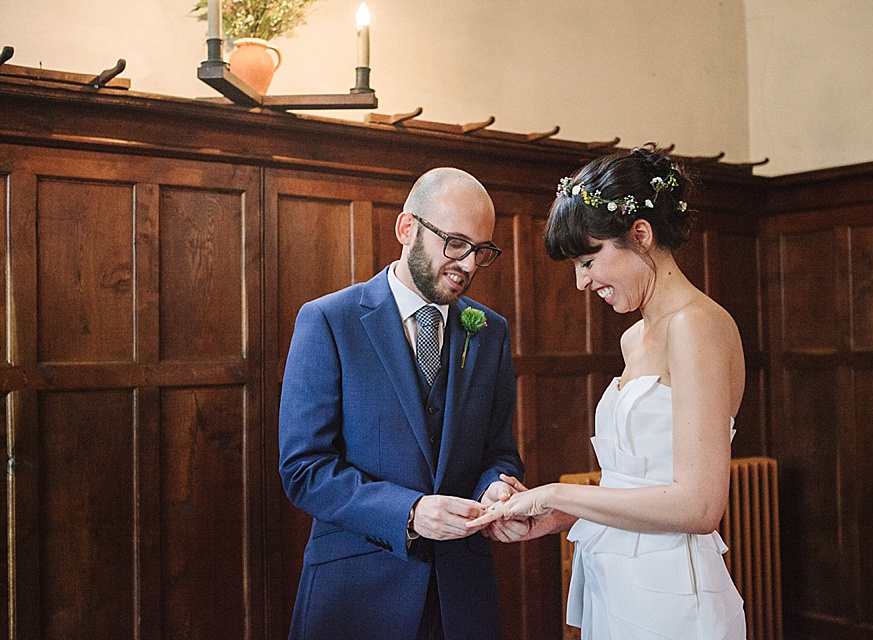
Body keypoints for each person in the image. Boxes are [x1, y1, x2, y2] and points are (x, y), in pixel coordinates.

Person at [467, 146, 747, 640]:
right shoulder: (633, 338)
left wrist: (558, 491)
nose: (581, 282)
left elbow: (700, 506)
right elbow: (639, 485)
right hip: (615, 579)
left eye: (590, 259)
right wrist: (553, 515)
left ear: (640, 234)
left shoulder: (697, 326)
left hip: (673, 597)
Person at [278, 167, 524, 640]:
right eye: (455, 243)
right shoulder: (330, 321)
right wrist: (409, 513)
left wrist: (494, 488)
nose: (469, 265)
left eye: (482, 251)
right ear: (407, 228)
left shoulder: (490, 331)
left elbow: (499, 450)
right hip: (357, 597)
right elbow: (304, 469)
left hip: (463, 601)